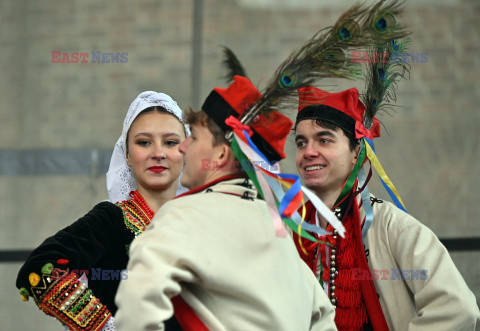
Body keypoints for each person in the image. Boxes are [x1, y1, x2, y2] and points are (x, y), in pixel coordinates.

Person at [114, 76, 337, 330]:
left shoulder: (184, 214)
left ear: (221, 154)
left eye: (194, 138)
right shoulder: (279, 230)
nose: (183, 148)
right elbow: (324, 318)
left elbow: (138, 299)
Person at [292, 86, 480, 330]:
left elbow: (457, 309)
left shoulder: (393, 227)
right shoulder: (291, 231)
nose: (308, 152)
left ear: (356, 153)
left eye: (324, 140)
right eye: (300, 142)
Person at [16, 91, 188, 331]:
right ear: (127, 155)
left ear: (187, 151)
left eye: (170, 142)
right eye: (143, 142)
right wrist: (105, 325)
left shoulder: (201, 222)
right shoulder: (111, 220)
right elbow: (39, 270)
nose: (158, 153)